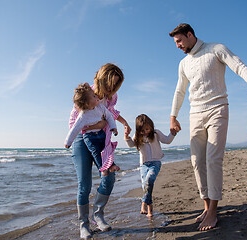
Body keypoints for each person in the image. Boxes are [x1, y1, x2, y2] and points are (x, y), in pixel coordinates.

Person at [168, 23, 247, 231]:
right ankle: (206, 205)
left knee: (213, 159)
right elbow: (179, 91)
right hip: (195, 114)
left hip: (218, 108)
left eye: (179, 41)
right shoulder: (183, 64)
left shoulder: (216, 49)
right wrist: (173, 116)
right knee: (197, 162)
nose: (177, 46)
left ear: (190, 35)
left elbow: (240, 66)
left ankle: (213, 211)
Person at [67, 63, 131, 239]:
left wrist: (124, 123)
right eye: (110, 83)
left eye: (116, 84)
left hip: (101, 139)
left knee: (109, 176)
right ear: (102, 79)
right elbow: (76, 122)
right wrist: (99, 124)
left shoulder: (112, 97)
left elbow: (111, 112)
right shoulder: (87, 93)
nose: (112, 87)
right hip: (82, 139)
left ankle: (98, 214)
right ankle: (83, 224)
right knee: (85, 184)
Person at [125, 114, 176, 217]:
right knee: (146, 186)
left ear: (151, 126)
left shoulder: (156, 133)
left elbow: (167, 140)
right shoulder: (138, 136)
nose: (145, 132)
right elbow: (131, 144)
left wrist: (173, 133)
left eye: (147, 129)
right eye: (142, 131)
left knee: (150, 179)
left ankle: (143, 203)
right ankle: (150, 209)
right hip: (143, 165)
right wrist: (127, 137)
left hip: (155, 162)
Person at [65, 82, 120, 176]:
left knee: (106, 149)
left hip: (100, 133)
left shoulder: (100, 107)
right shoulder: (83, 115)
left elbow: (109, 116)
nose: (97, 97)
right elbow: (75, 129)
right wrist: (68, 142)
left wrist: (113, 127)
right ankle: (102, 169)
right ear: (87, 102)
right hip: (89, 137)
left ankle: (112, 165)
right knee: (96, 152)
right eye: (94, 97)